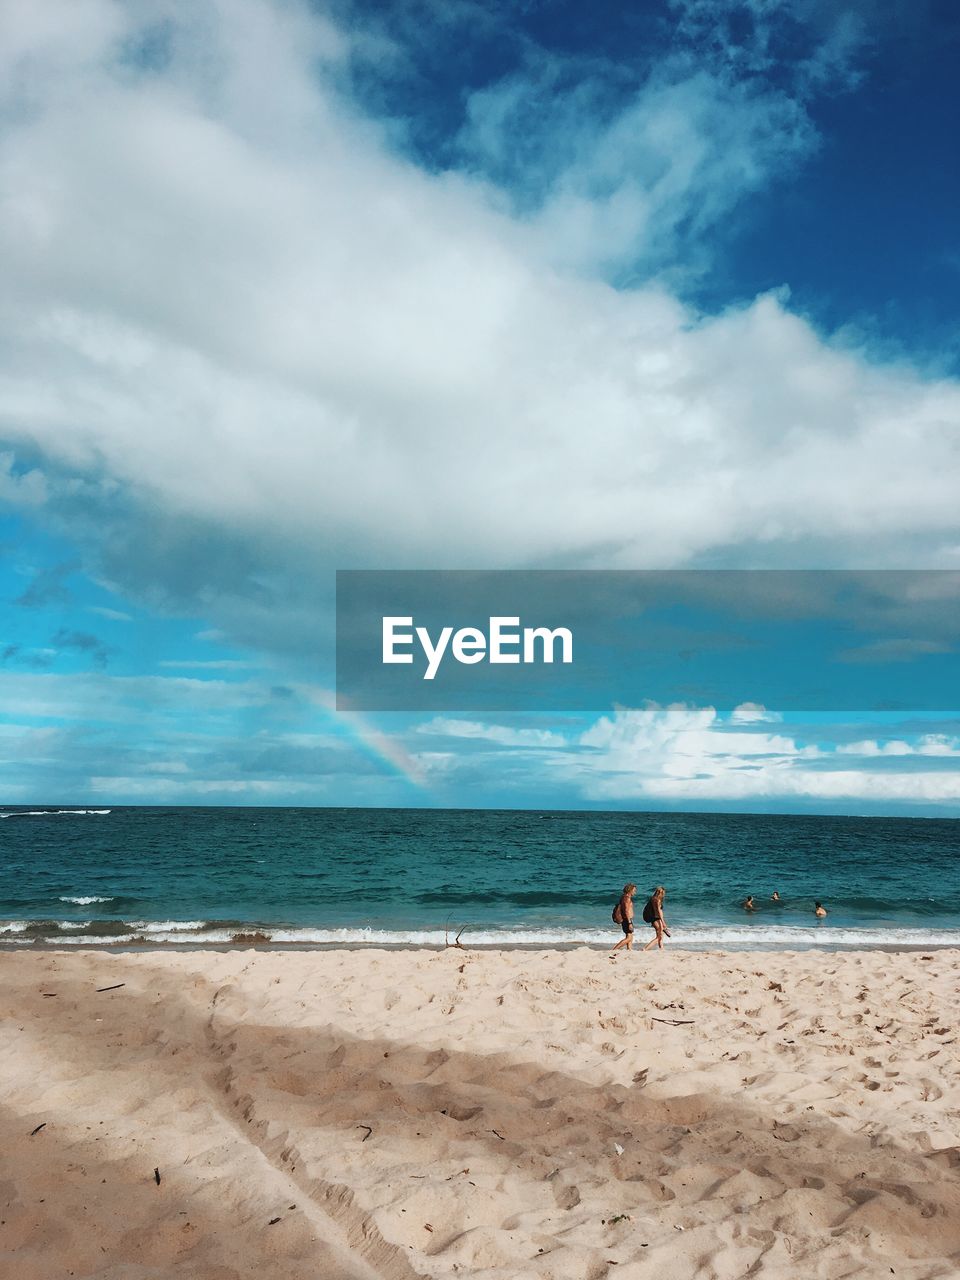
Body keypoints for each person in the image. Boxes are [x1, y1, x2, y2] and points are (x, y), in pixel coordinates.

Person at [610, 883, 637, 954]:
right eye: (634, 890)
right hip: (626, 919)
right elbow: (626, 910)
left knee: (630, 936)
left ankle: (629, 950)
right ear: (630, 890)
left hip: (627, 919)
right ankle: (614, 949)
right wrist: (629, 922)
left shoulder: (624, 897)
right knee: (629, 938)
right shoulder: (627, 898)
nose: (635, 892)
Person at [642, 886, 671, 951]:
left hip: (654, 918)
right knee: (659, 936)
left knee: (660, 934)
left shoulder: (653, 899)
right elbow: (658, 911)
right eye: (662, 893)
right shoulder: (657, 900)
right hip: (656, 919)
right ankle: (645, 949)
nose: (662, 895)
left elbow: (659, 911)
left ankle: (661, 948)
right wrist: (663, 922)